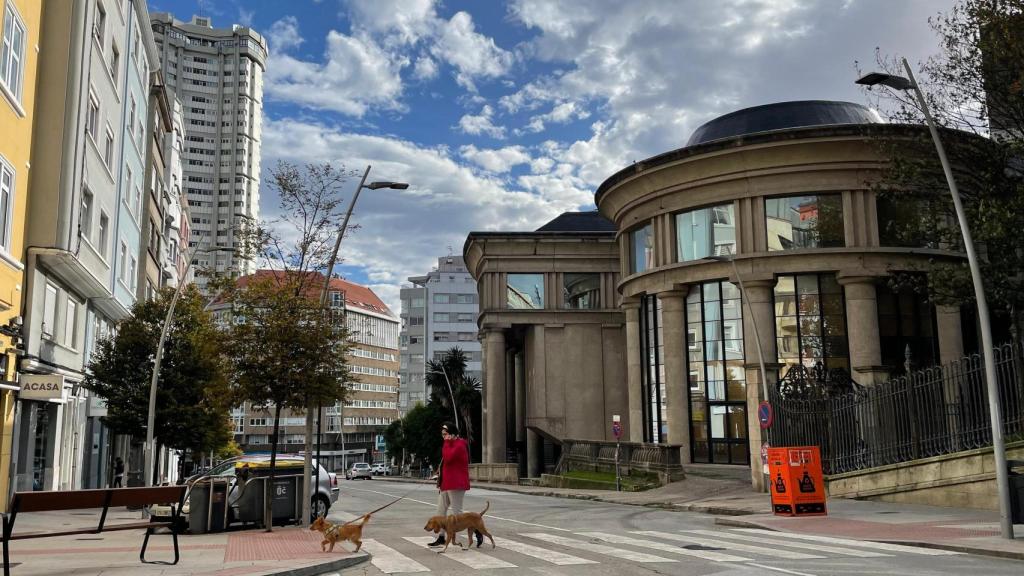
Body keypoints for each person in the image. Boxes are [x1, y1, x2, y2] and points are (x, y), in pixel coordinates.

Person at [428, 422, 482, 547]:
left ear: (453, 434)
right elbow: (446, 463)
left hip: (456, 483)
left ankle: (476, 528)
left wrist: (447, 443)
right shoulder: (450, 444)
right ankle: (441, 537)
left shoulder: (459, 445)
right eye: (442, 435)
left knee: (458, 514)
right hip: (446, 483)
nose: (443, 437)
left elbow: (448, 458)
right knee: (440, 511)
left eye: (445, 434)